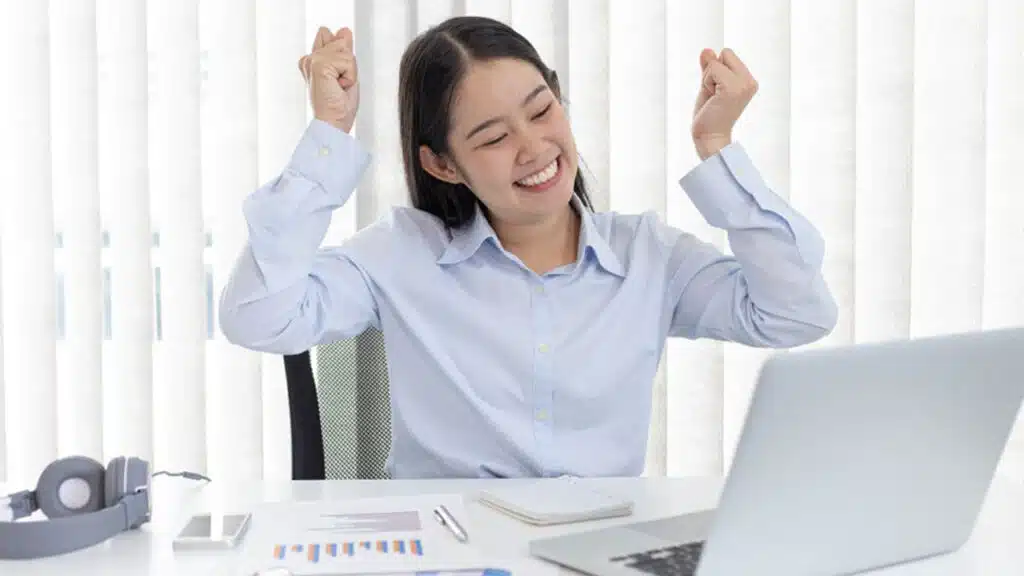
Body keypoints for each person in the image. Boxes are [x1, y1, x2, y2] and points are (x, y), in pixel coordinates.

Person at [219, 16, 837, 479]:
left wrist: (717, 144)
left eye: (541, 110)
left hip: (596, 550)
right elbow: (256, 317)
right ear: (442, 165)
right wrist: (329, 134)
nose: (535, 147)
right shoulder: (401, 255)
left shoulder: (649, 256)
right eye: (492, 137)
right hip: (448, 555)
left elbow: (796, 313)